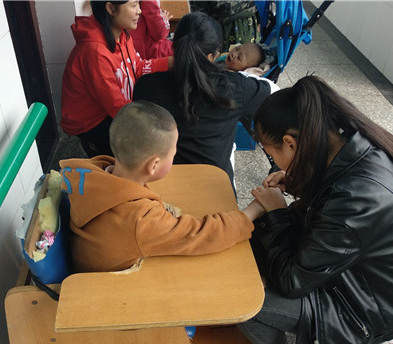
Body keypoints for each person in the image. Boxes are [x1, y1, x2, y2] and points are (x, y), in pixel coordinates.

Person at [230, 75, 393, 344]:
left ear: (291, 143)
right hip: (362, 269)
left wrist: (278, 212)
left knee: (240, 301)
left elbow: (293, 281)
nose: (274, 162)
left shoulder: (357, 199)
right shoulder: (355, 142)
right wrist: (297, 180)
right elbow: (335, 196)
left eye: (272, 153)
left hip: (369, 309)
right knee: (255, 244)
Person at [59, 101, 267, 273]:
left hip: (85, 267)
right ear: (154, 165)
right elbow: (200, 235)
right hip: (106, 291)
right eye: (173, 153)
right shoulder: (140, 221)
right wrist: (253, 211)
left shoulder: (92, 171)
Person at [133, 12, 277, 187]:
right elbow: (276, 94)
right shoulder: (236, 87)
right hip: (215, 187)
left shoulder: (146, 86)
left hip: (159, 184)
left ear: (174, 45)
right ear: (211, 57)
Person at [61, 1, 173, 158]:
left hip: (114, 109)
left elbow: (137, 67)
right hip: (93, 124)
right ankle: (93, 149)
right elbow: (117, 107)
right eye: (133, 5)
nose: (139, 11)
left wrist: (172, 62)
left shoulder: (122, 35)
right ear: (110, 8)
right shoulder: (94, 52)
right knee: (150, 147)